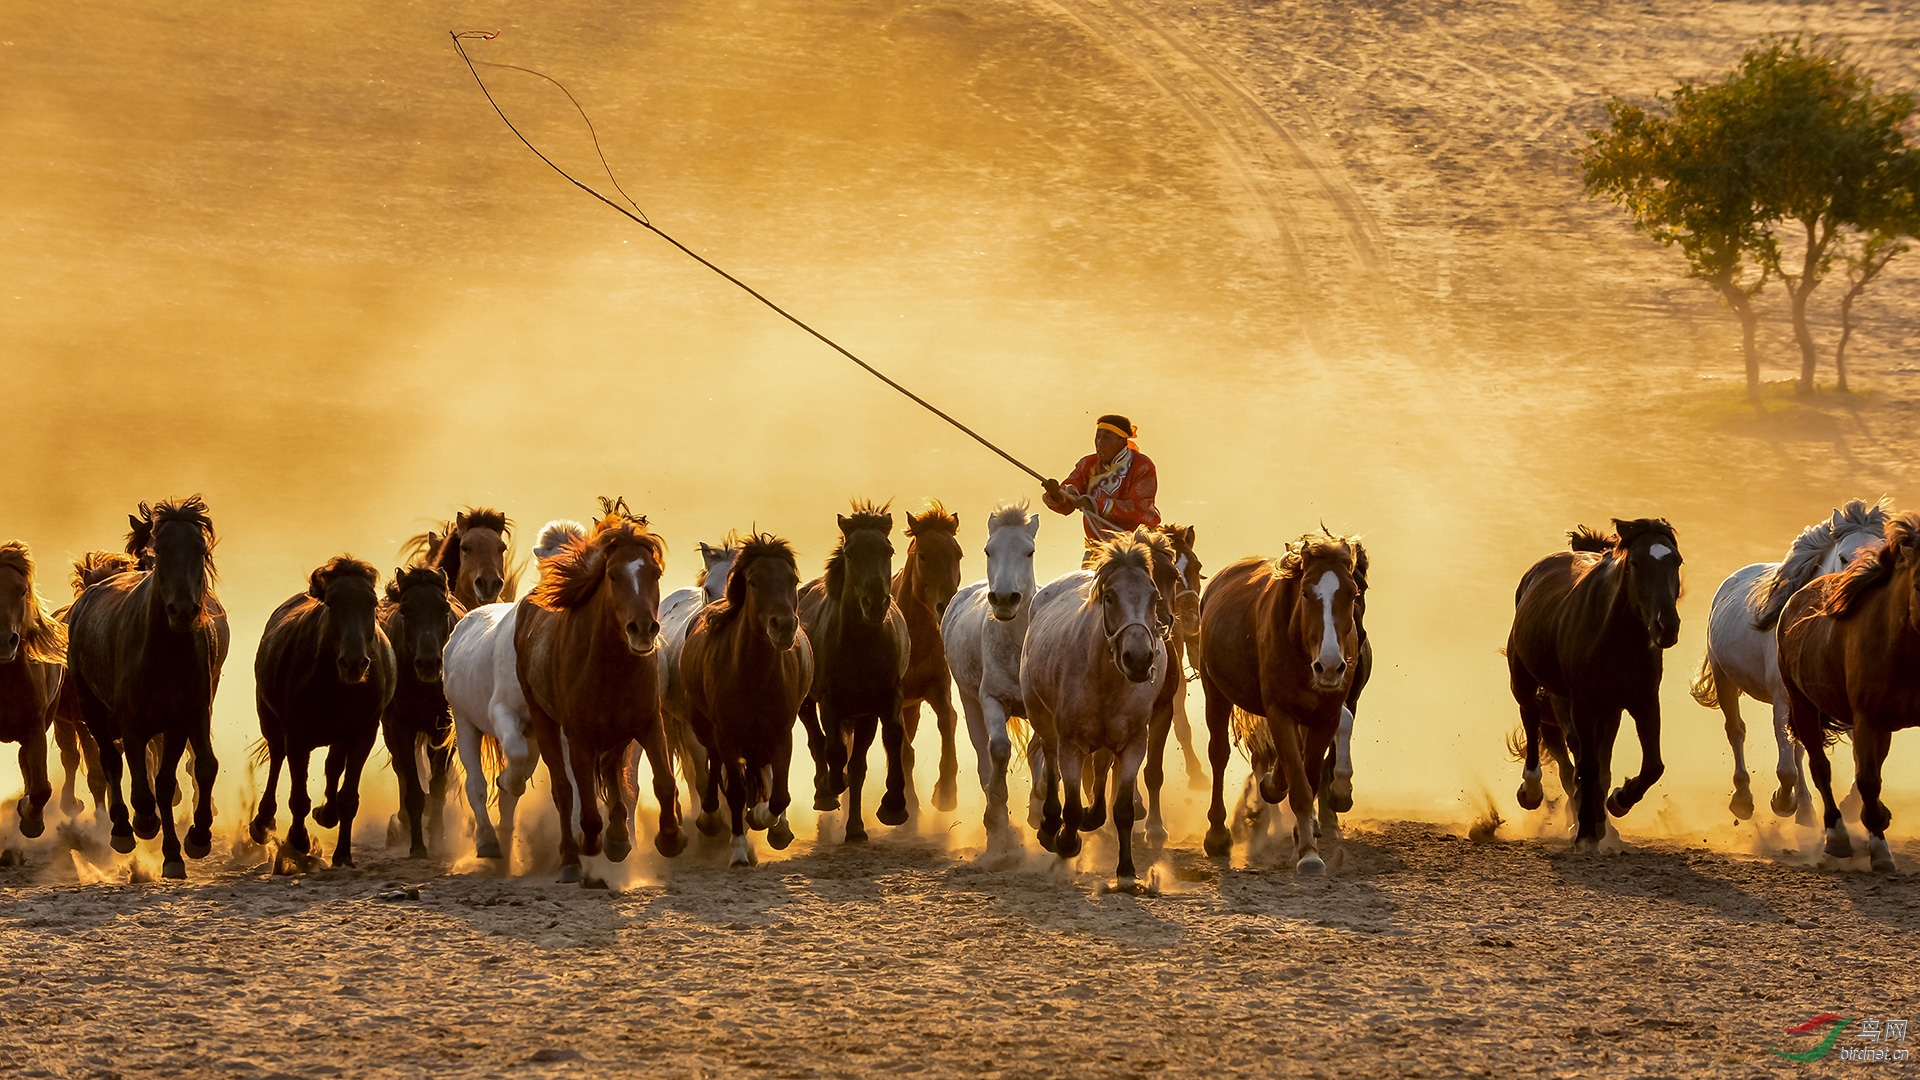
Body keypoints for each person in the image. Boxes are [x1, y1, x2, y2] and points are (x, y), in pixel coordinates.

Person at [1042, 414, 1161, 551]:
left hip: (1140, 546)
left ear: (1121, 441)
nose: (1099, 443)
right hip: (1099, 548)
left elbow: (1137, 509)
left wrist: (1094, 504)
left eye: (1106, 438)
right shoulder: (1087, 464)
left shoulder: (1143, 466)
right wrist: (1057, 494)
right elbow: (1072, 492)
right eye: (1098, 436)